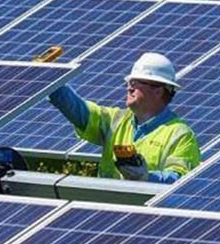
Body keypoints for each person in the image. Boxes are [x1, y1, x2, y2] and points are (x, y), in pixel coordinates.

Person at [50, 52, 199, 184]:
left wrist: (147, 178)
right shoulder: (116, 120)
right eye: (129, 82)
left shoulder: (180, 135)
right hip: (105, 210)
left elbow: (181, 181)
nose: (129, 88)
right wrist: (49, 76)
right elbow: (77, 110)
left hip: (147, 213)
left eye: (136, 83)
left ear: (158, 91)